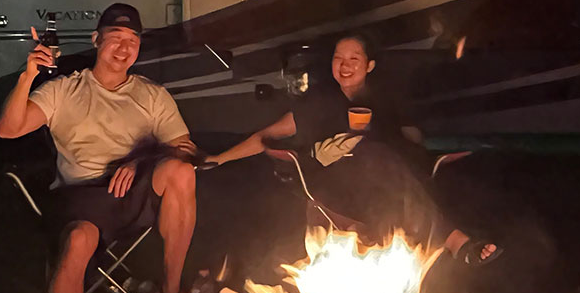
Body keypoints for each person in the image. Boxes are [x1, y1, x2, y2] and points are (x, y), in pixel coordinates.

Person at [0, 3, 199, 293]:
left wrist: (141, 159)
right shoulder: (63, 90)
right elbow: (8, 130)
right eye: (115, 38)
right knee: (78, 239)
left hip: (131, 195)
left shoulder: (152, 95)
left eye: (132, 41)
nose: (124, 48)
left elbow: (186, 148)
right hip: (80, 198)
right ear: (96, 40)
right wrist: (27, 75)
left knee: (180, 171)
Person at [208, 32, 498, 264]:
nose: (344, 65)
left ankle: (445, 246)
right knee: (378, 156)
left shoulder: (386, 99)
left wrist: (407, 146)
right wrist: (219, 158)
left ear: (369, 65)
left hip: (387, 187)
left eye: (354, 58)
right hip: (335, 186)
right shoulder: (319, 102)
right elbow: (267, 135)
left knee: (387, 161)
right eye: (338, 58)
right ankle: (454, 239)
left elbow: (413, 143)